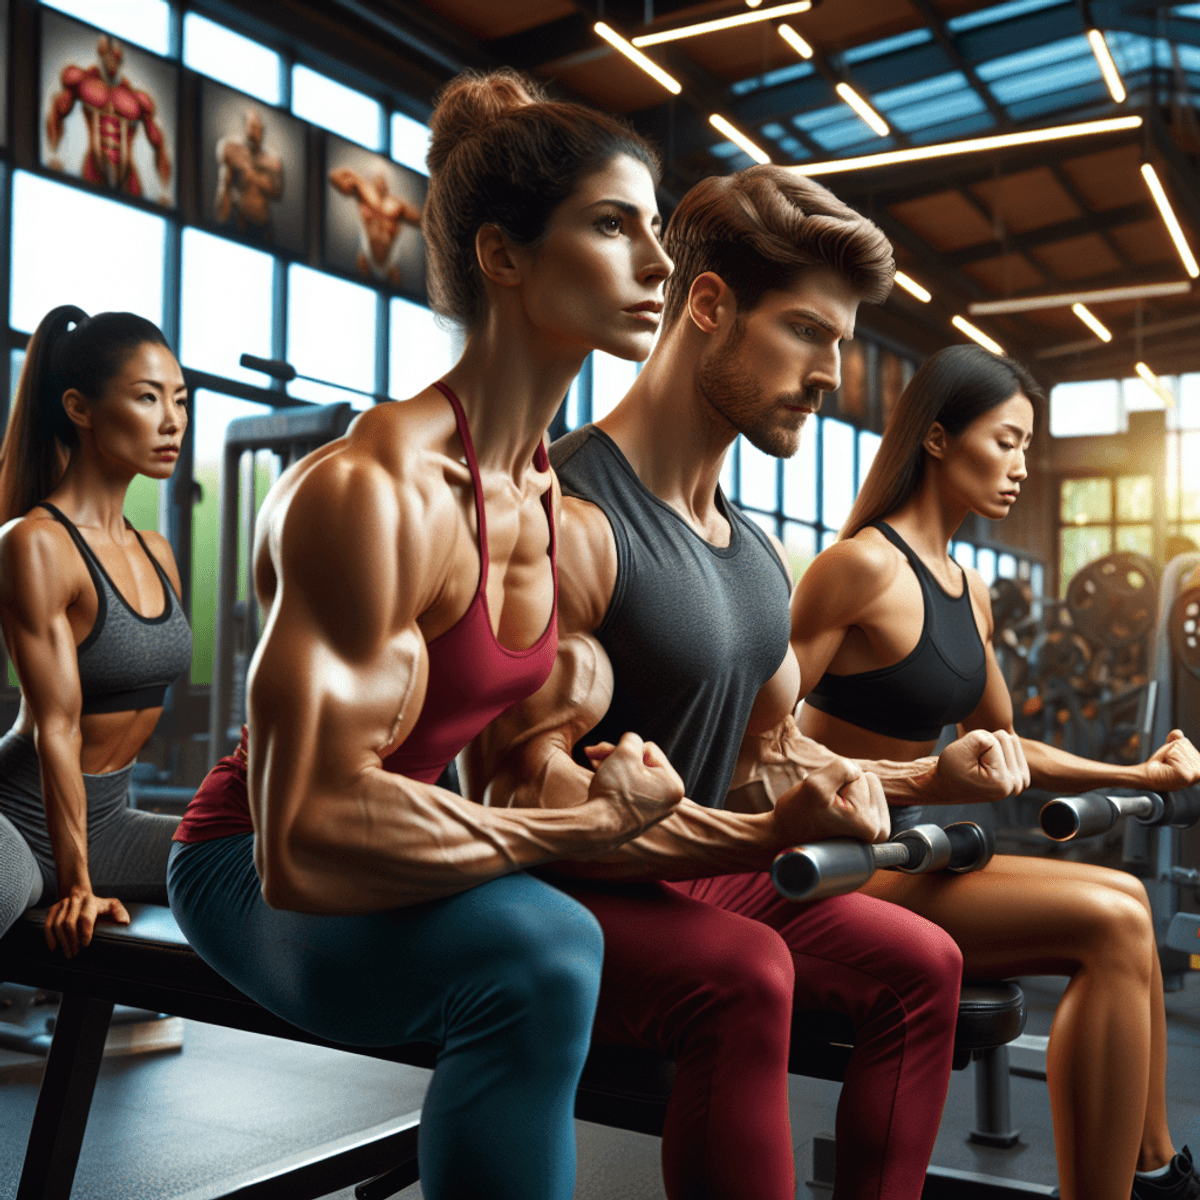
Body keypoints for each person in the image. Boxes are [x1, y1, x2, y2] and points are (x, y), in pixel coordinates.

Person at [167, 70, 687, 1200]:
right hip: (245, 868)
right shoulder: (373, 493)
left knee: (584, 931)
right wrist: (580, 832)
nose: (659, 263)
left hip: (400, 852)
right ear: (504, 257)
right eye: (613, 226)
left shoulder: (553, 502)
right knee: (546, 947)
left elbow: (512, 785)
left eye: (656, 228)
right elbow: (298, 843)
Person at [468, 166, 1036, 1200]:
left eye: (842, 345)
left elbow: (769, 752)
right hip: (563, 889)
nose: (831, 372)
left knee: (927, 967)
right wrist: (748, 827)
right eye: (809, 334)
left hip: (693, 869)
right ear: (710, 305)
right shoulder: (572, 514)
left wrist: (923, 780)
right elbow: (513, 785)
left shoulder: (756, 555)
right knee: (746, 976)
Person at [789, 342, 1200, 1200]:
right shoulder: (860, 566)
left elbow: (1010, 745)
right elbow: (757, 738)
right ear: (937, 439)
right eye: (1005, 441)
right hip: (827, 863)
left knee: (1126, 902)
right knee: (1113, 922)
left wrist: (1142, 772)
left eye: (1027, 447)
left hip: (910, 853)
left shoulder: (968, 588)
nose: (1021, 466)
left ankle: (1157, 1175)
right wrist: (918, 779)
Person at [0, 306, 191, 953]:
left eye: (180, 400)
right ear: (80, 409)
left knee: (246, 856)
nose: (172, 422)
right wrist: (77, 886)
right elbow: (57, 726)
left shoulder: (157, 551)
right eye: (147, 398)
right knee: (5, 890)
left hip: (110, 821)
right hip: (15, 819)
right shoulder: (34, 543)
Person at [45, 35, 170, 201]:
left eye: (116, 56)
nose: (112, 58)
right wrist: (52, 155)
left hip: (128, 172)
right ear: (101, 54)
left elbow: (158, 141)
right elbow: (57, 110)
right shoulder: (84, 81)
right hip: (94, 164)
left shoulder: (137, 99)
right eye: (108, 53)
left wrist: (165, 190)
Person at [328, 165, 422, 285]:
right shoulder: (364, 192)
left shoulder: (398, 205)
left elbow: (422, 221)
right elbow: (334, 177)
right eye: (378, 177)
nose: (380, 181)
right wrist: (355, 176)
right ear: (372, 179)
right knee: (361, 286)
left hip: (390, 260)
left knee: (395, 289)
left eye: (383, 178)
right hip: (366, 255)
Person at [215, 108, 284, 237]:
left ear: (262, 129)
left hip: (262, 224)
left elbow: (277, 193)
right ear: (245, 127)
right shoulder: (234, 148)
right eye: (251, 126)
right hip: (239, 220)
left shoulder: (272, 160)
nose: (254, 131)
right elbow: (223, 157)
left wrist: (253, 175)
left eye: (257, 126)